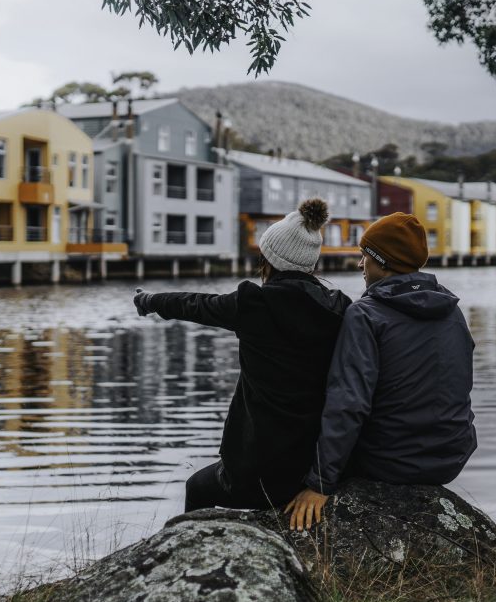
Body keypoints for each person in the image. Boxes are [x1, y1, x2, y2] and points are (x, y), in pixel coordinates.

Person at [133, 199, 352, 512]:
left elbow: (195, 303)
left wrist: (151, 300)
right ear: (311, 264)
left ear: (269, 259)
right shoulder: (339, 308)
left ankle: (190, 549)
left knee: (197, 488)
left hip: (257, 471)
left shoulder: (255, 305)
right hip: (314, 467)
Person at [285, 212, 477, 530]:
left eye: (364, 256)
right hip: (451, 457)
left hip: (392, 463)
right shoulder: (451, 310)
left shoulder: (365, 315)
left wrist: (320, 483)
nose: (360, 265)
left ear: (381, 262)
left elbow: (348, 402)